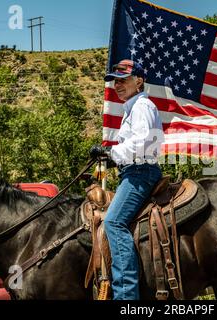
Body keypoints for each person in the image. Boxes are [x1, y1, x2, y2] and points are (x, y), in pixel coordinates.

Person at [90, 59, 164, 300]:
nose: (117, 85)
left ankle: (126, 296)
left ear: (139, 80)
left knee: (113, 223)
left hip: (140, 173)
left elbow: (143, 142)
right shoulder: (133, 107)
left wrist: (111, 153)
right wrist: (113, 159)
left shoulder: (142, 106)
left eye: (123, 80)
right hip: (133, 170)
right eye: (115, 81)